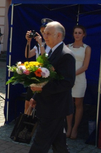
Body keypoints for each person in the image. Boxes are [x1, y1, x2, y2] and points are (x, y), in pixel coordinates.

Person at [29, 21, 76, 153]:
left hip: (55, 108)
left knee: (39, 144)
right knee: (59, 145)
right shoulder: (52, 52)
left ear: (59, 36)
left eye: (49, 33)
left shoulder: (65, 55)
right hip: (49, 106)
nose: (45, 36)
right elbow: (45, 78)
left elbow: (67, 82)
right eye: (44, 33)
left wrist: (42, 89)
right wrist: (35, 96)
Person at [66, 25, 91, 139]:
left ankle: (75, 128)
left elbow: (85, 66)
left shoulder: (86, 48)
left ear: (84, 34)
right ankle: (69, 127)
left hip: (79, 78)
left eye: (79, 33)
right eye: (75, 32)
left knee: (78, 104)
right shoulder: (67, 47)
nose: (77, 35)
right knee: (69, 104)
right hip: (68, 79)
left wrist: (73, 74)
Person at [24, 18, 52, 112]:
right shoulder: (38, 45)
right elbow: (28, 55)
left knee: (39, 103)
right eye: (42, 32)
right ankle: (25, 123)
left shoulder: (51, 46)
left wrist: (41, 44)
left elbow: (44, 60)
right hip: (36, 75)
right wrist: (28, 41)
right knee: (28, 101)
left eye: (45, 32)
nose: (44, 35)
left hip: (45, 77)